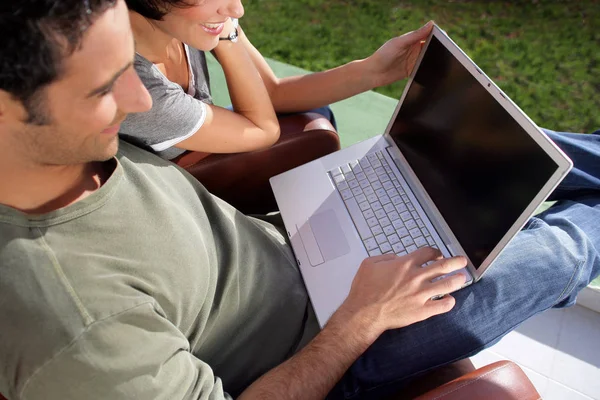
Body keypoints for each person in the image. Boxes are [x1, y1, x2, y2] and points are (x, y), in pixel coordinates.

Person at [0, 1, 599, 399]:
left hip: (294, 243)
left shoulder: (71, 145)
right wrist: (360, 319)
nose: (140, 101)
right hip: (330, 349)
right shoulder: (72, 322)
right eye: (106, 87)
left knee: (493, 146)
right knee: (563, 251)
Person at [120, 0, 431, 159]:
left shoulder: (177, 21)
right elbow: (263, 128)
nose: (235, 8)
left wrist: (377, 70)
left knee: (318, 116)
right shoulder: (136, 88)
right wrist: (226, 34)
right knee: (314, 129)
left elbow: (270, 92)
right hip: (190, 204)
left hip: (207, 150)